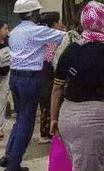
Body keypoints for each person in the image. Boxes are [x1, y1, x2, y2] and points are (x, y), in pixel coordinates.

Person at [50, 1, 104, 171]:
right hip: (95, 118)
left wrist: (53, 118)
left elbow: (57, 89)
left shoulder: (72, 49)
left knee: (88, 163)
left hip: (67, 116)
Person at [0, 0, 66, 171]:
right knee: (27, 122)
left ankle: (8, 156)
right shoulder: (37, 31)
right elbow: (63, 37)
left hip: (15, 77)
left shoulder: (14, 32)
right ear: (34, 13)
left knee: (20, 118)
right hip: (31, 79)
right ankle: (13, 165)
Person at [37, 11, 66, 144]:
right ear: (54, 23)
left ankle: (46, 131)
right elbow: (53, 57)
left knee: (45, 100)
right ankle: (50, 131)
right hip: (49, 69)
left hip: (41, 69)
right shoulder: (55, 37)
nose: (61, 24)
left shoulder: (42, 34)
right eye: (59, 21)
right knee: (52, 99)